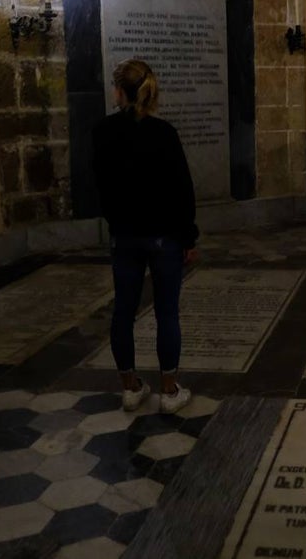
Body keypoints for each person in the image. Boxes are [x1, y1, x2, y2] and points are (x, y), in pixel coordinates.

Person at [92, 59, 198, 414]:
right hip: (164, 237)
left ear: (120, 91)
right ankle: (169, 391)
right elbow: (182, 189)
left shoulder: (103, 131)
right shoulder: (163, 132)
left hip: (124, 236)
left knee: (124, 311)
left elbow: (100, 186)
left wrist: (116, 220)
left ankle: (131, 387)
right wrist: (188, 237)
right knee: (167, 313)